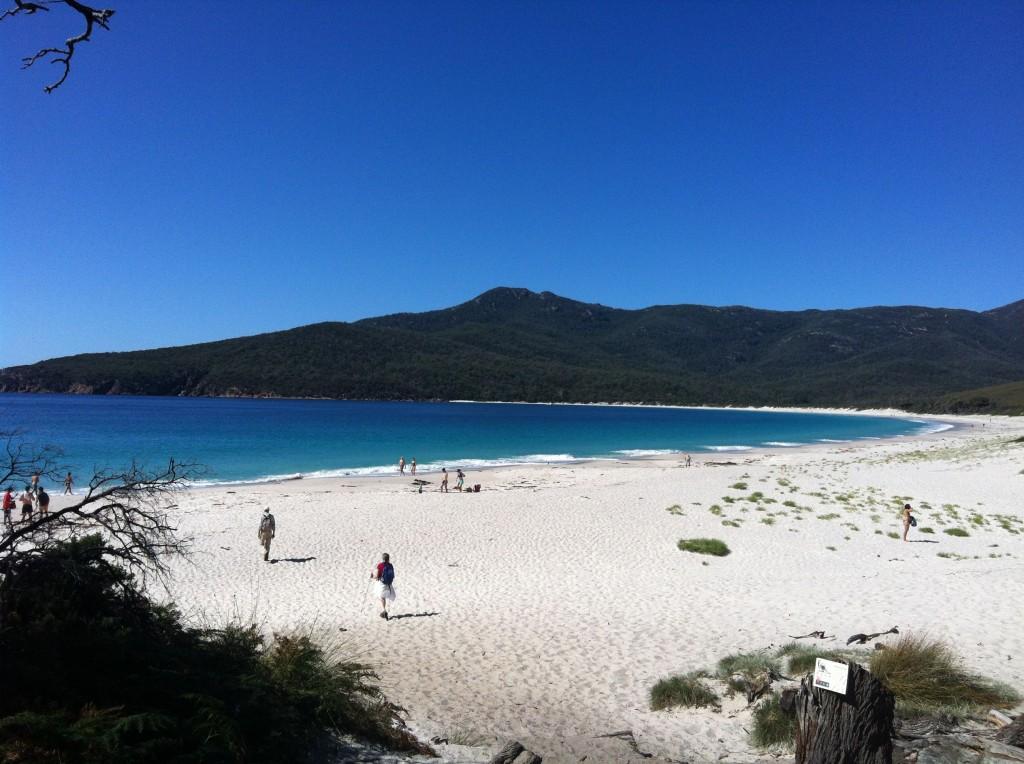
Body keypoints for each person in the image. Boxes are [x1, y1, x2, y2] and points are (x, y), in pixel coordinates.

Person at [371, 552, 396, 620]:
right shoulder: (391, 565)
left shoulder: (380, 565)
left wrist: (372, 576)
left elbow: (377, 577)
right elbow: (393, 576)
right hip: (389, 584)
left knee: (381, 597)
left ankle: (384, 611)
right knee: (387, 597)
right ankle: (385, 611)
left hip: (382, 584)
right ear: (388, 559)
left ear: (382, 558)